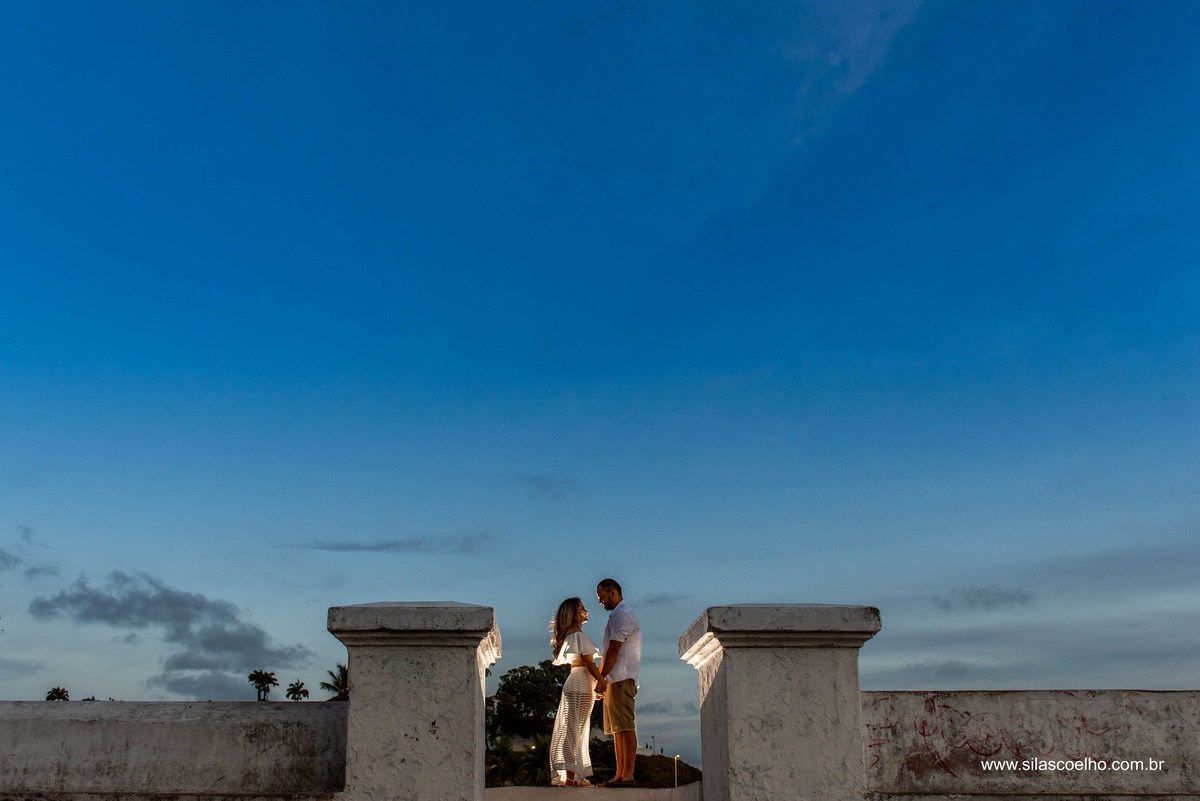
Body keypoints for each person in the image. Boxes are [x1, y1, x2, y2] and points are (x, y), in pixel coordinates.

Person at [549, 597, 604, 787]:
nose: (586, 610)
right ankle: (571, 777)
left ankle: (573, 775)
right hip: (580, 684)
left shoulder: (572, 636)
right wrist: (602, 681)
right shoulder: (578, 636)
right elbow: (588, 662)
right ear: (575, 613)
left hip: (577, 682)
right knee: (574, 730)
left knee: (574, 729)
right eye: (582, 607)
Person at [594, 577, 641, 787]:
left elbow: (614, 649)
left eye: (602, 597)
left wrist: (601, 677)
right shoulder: (616, 615)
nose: (601, 602)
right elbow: (608, 650)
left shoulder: (623, 614)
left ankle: (627, 774)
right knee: (617, 729)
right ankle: (620, 774)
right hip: (615, 678)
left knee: (625, 727)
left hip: (621, 677)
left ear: (613, 592)